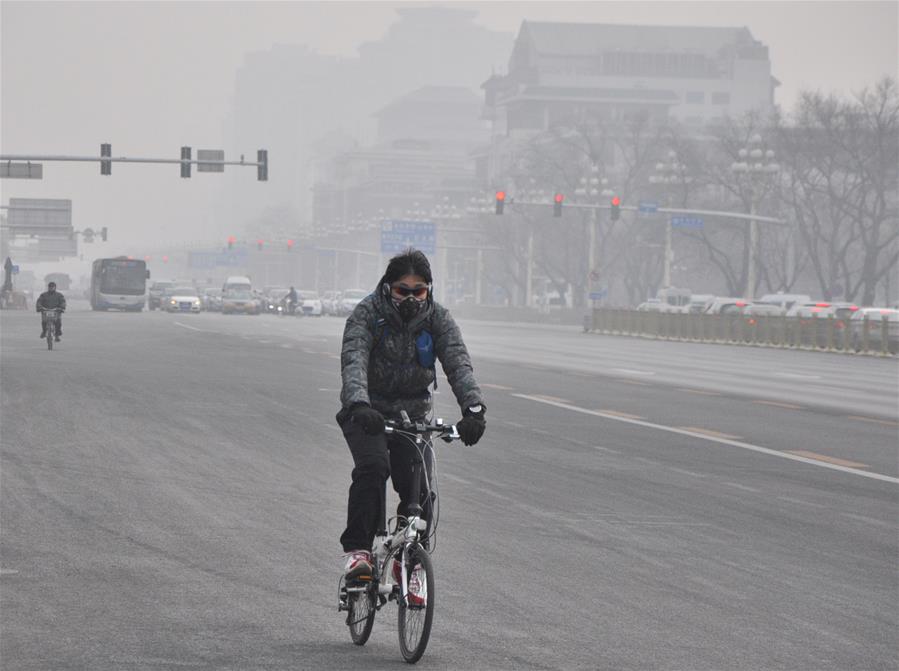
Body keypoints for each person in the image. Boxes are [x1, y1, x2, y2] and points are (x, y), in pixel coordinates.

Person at [337, 248, 486, 591]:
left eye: (419, 291)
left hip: (412, 415)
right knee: (373, 468)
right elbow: (354, 359)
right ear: (389, 287)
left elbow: (458, 362)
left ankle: (410, 561)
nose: (411, 298)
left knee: (418, 487)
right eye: (403, 290)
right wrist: (360, 403)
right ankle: (359, 552)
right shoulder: (367, 315)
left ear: (428, 290)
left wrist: (474, 410)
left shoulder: (438, 319)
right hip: (367, 412)